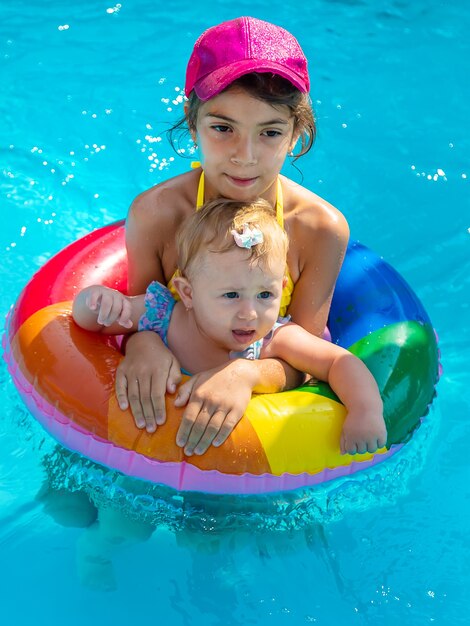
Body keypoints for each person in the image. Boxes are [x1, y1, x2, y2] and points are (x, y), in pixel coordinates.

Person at [116, 16, 350, 449]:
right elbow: (140, 312)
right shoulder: (157, 214)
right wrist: (142, 346)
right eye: (223, 129)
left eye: (270, 133)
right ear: (192, 123)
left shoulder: (319, 229)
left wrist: (247, 373)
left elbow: (306, 357)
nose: (245, 156)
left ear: (297, 134)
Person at [73, 198, 386, 456]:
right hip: (141, 451)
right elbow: (88, 321)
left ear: (282, 286)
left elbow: (338, 363)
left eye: (265, 295)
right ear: (188, 293)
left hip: (231, 466)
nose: (250, 313)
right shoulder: (160, 313)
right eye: (231, 295)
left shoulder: (273, 339)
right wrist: (98, 301)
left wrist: (365, 411)